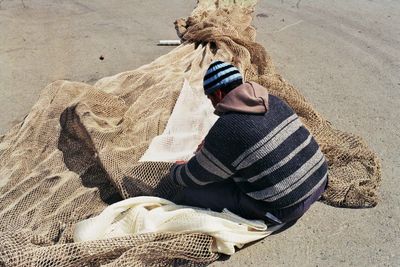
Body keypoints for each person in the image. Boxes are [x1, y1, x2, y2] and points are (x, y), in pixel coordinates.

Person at [169, 61, 328, 225]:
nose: (212, 104)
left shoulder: (226, 128)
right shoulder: (272, 100)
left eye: (210, 98)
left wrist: (176, 170)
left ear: (218, 94)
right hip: (320, 180)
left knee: (190, 194)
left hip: (285, 209)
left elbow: (193, 177)